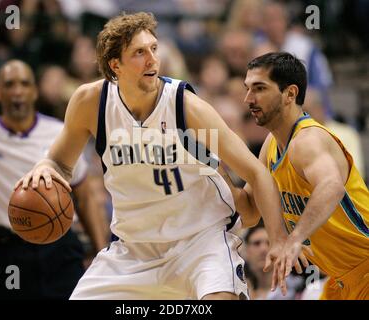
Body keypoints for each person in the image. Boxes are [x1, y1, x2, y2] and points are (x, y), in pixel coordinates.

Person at [17, 12, 297, 300]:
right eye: (139, 52)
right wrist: (44, 168)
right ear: (116, 65)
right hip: (133, 250)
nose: (152, 59)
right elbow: (59, 163)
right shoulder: (90, 102)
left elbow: (257, 174)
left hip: (200, 243)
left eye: (153, 48)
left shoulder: (186, 106)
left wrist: (277, 239)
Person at [0, 60, 109, 299]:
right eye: (9, 84)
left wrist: (102, 255)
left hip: (60, 249)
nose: (17, 90)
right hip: (8, 251)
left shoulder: (61, 132)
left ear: (34, 91)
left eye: (24, 83)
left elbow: (85, 197)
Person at [238, 52, 369, 299]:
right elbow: (248, 210)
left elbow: (332, 186)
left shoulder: (308, 140)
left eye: (259, 88)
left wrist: (294, 239)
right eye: (247, 88)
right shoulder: (271, 145)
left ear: (290, 94)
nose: (248, 98)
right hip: (341, 279)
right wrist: (213, 169)